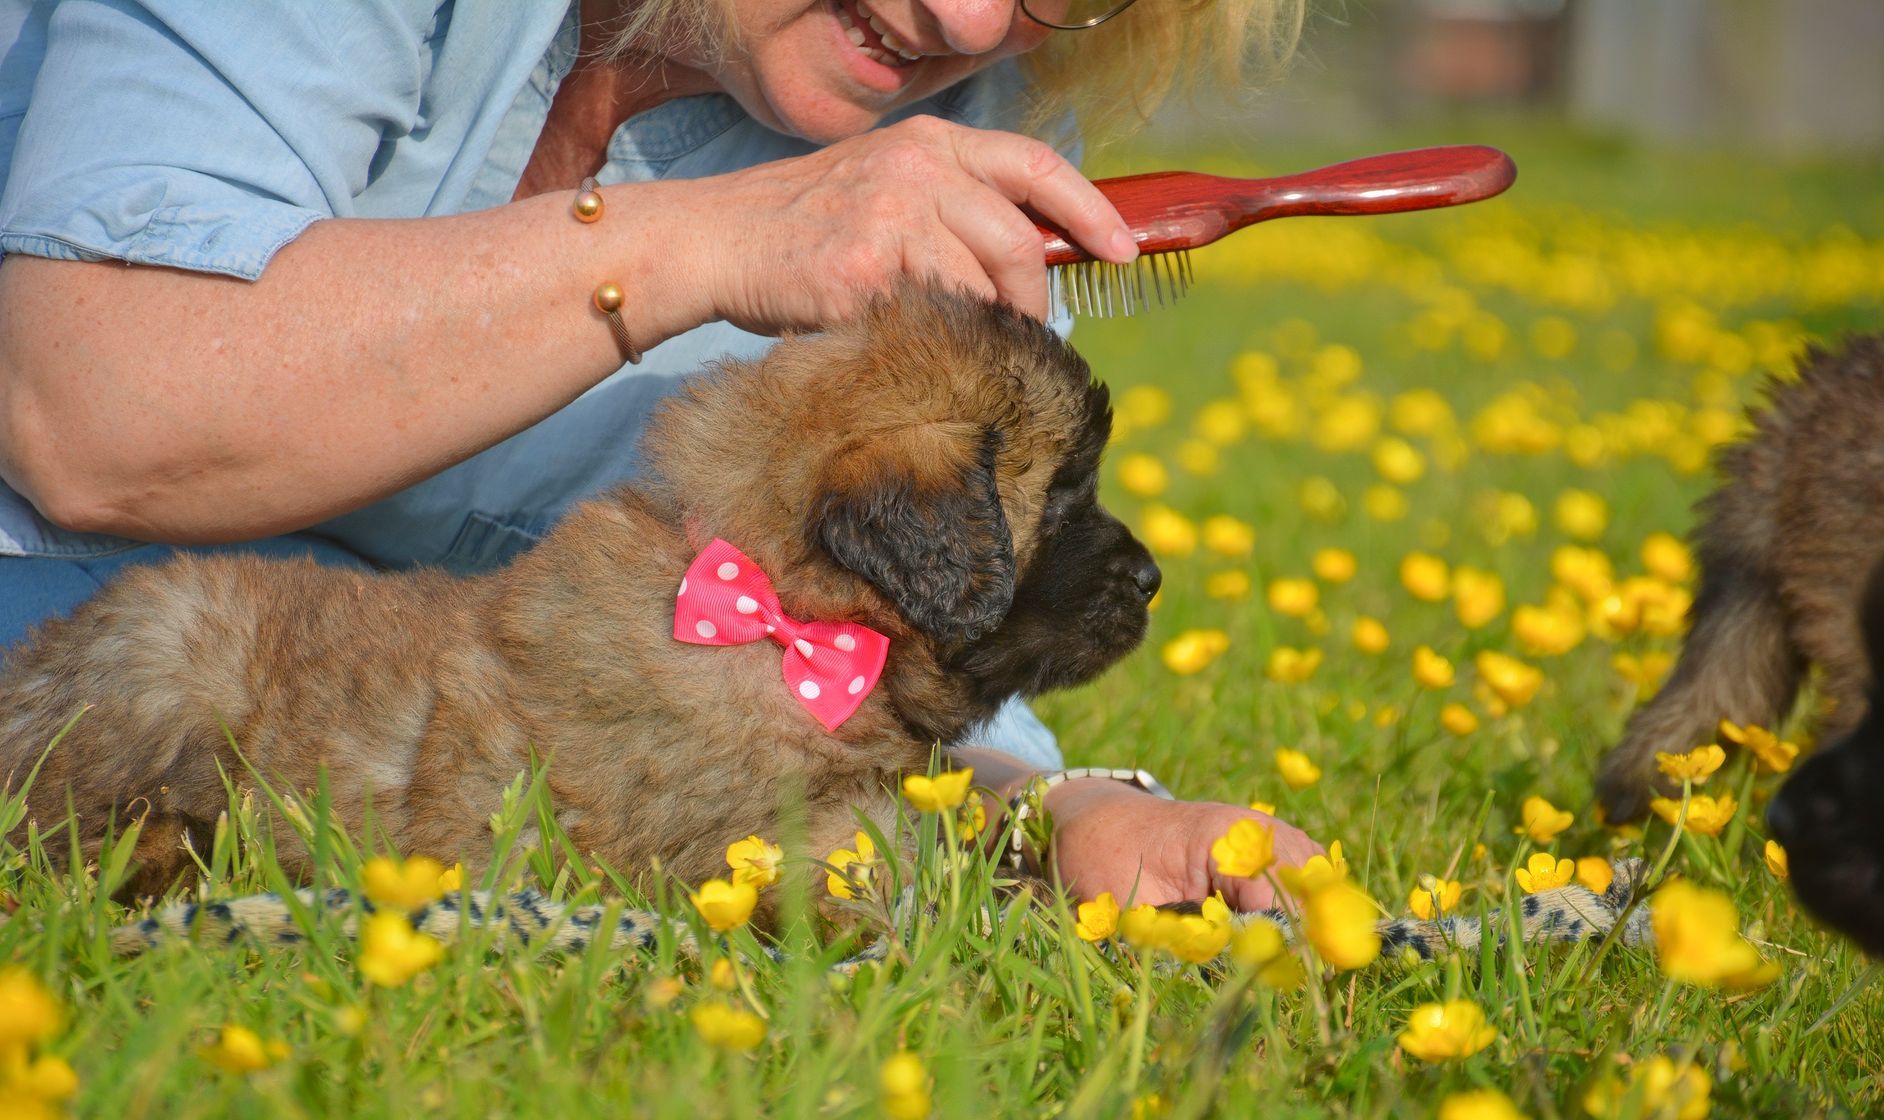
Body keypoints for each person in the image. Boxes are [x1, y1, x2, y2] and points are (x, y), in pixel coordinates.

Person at [0, 0, 1320, 909]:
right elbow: (92, 409)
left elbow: (864, 624)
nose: (969, 22)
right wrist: (699, 243)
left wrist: (1061, 815)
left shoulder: (970, 127)